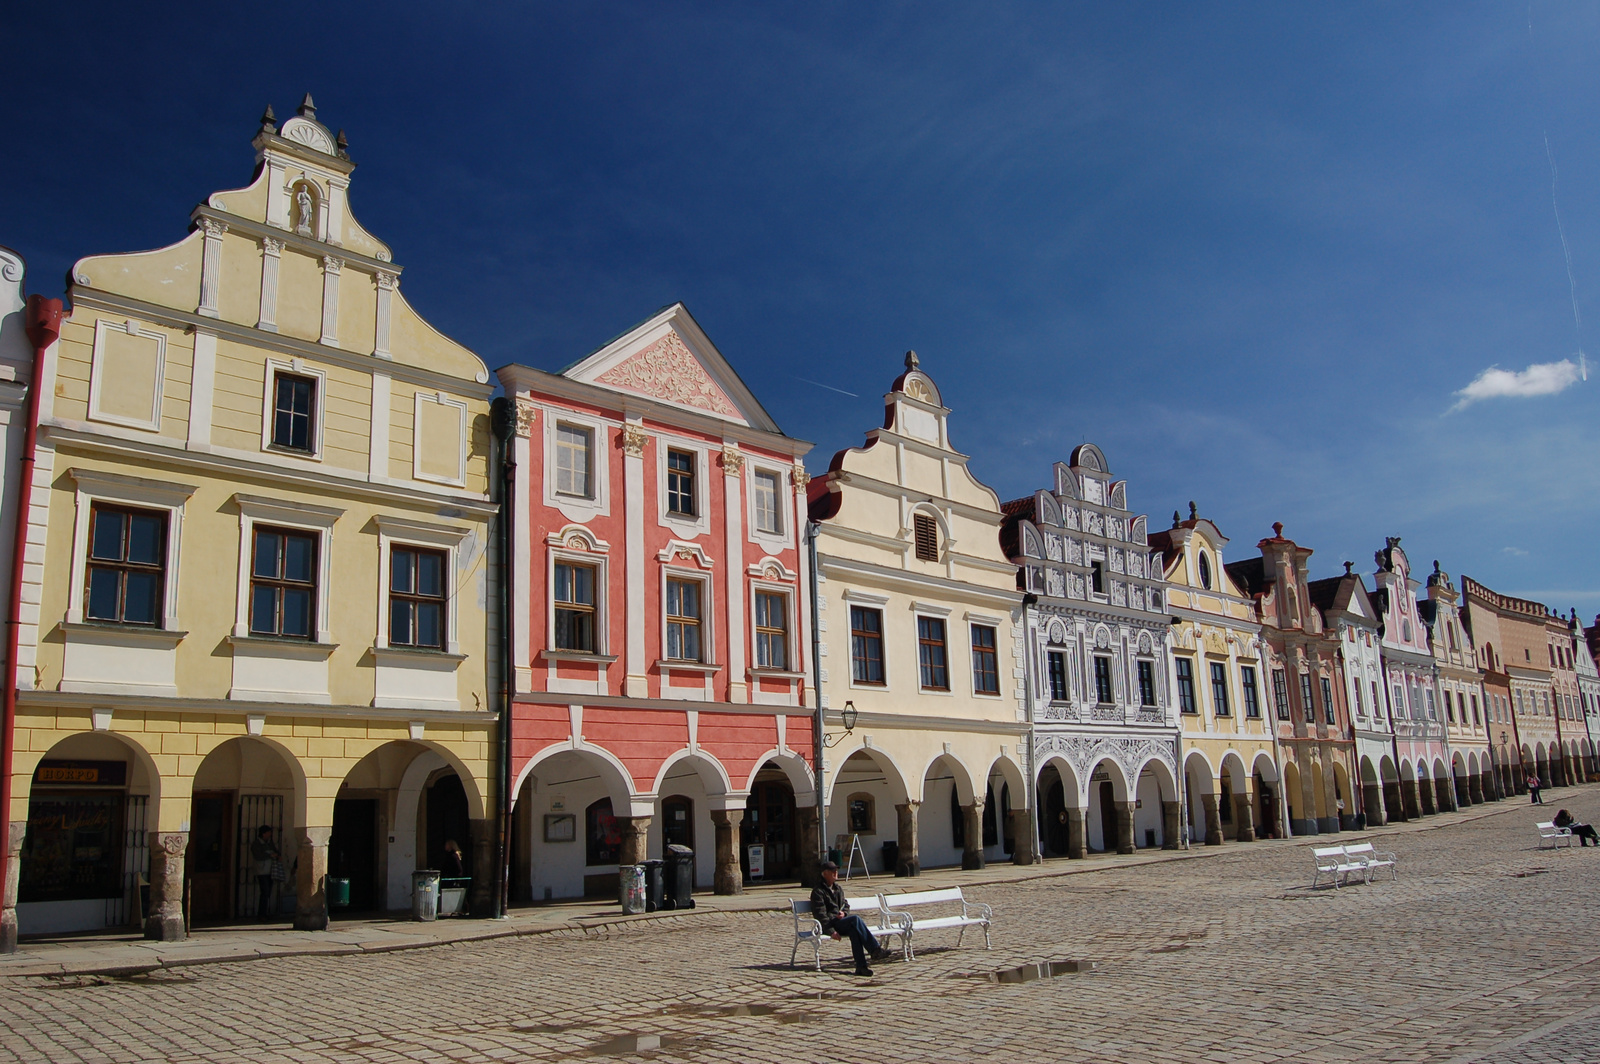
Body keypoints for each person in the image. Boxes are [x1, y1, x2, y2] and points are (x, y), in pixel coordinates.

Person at [809, 860, 889, 976]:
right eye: (832, 871)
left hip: (841, 921)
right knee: (855, 919)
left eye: (836, 870)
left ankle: (861, 967)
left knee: (855, 931)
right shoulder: (818, 892)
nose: (836, 872)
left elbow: (845, 905)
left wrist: (844, 913)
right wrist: (831, 931)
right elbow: (820, 915)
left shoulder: (837, 889)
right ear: (825, 873)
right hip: (831, 924)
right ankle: (875, 950)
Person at [251, 825, 280, 919]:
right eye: (268, 832)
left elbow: (276, 852)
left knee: (268, 892)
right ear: (264, 833)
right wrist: (271, 855)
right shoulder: (256, 844)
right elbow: (258, 856)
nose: (270, 834)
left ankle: (265, 913)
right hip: (261, 871)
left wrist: (276, 855)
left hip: (271, 871)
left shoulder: (270, 843)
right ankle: (261, 914)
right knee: (265, 892)